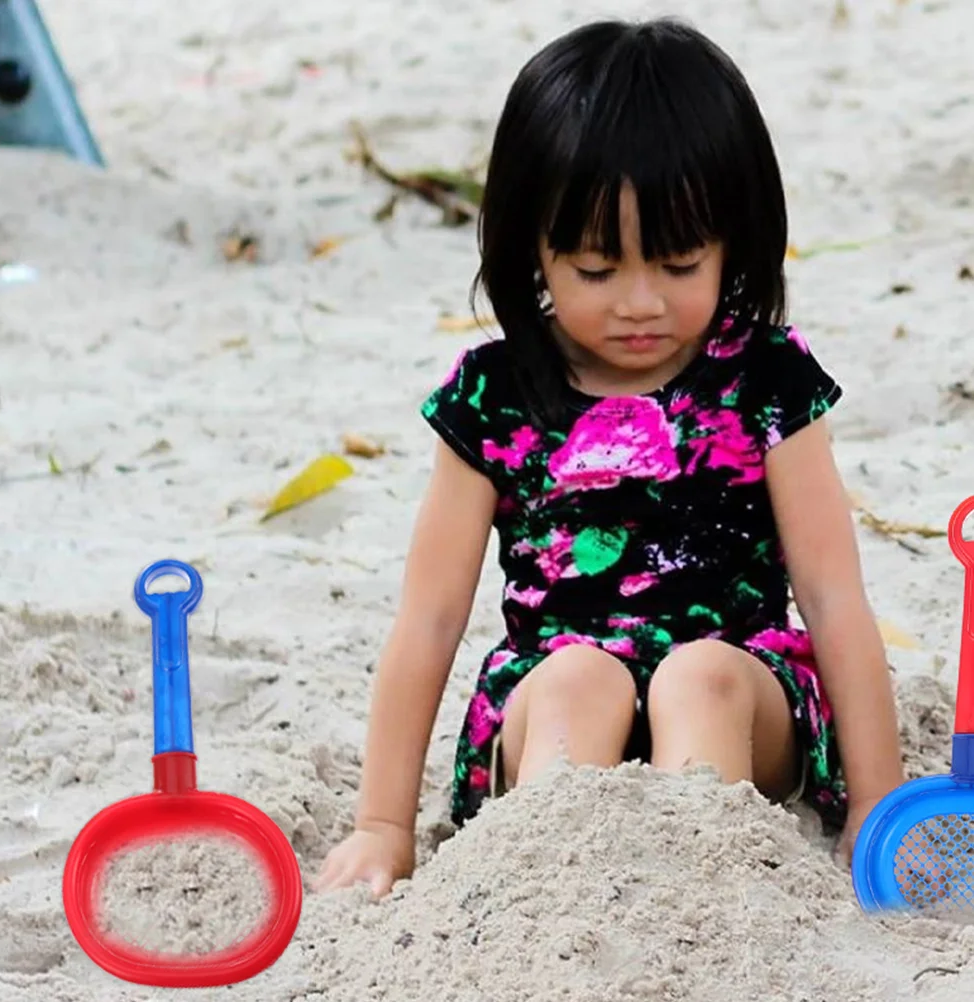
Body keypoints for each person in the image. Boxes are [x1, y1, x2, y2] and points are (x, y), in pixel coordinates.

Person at [309, 16, 904, 899]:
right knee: (575, 679)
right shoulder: (494, 395)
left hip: (740, 695)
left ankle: (699, 882)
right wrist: (383, 826)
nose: (639, 303)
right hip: (555, 695)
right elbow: (430, 621)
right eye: (594, 269)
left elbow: (831, 596)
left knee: (699, 677)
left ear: (734, 241)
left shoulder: (767, 380)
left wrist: (878, 802)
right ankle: (554, 883)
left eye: (677, 264)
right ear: (532, 249)